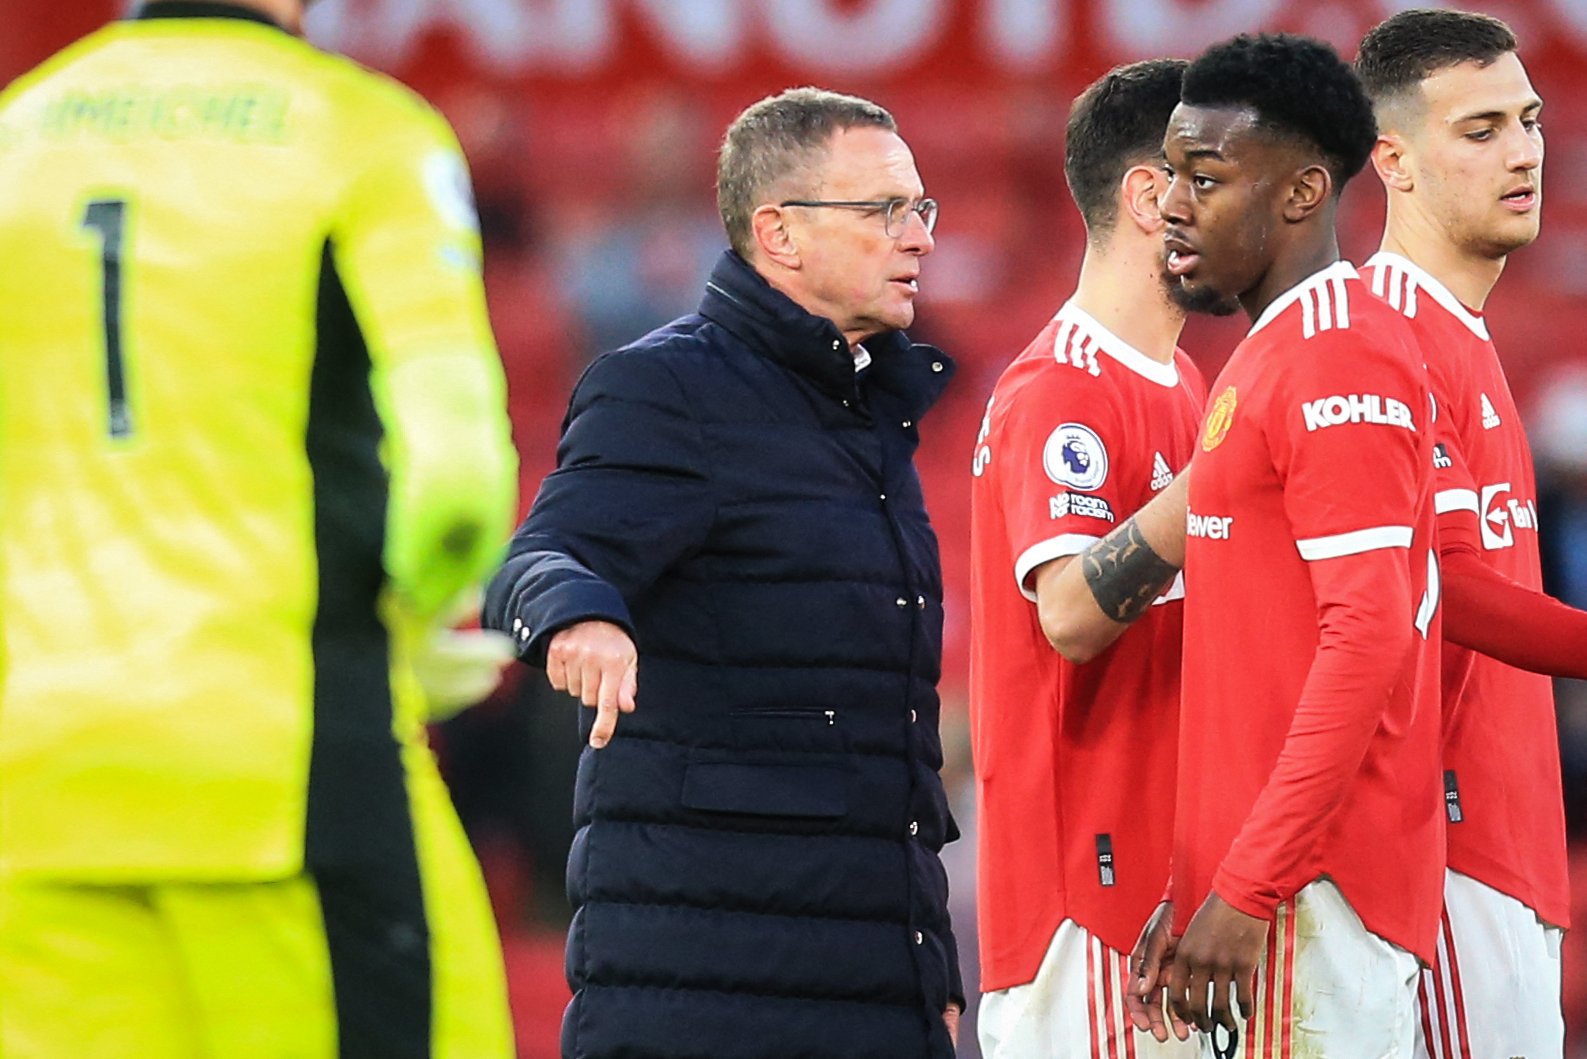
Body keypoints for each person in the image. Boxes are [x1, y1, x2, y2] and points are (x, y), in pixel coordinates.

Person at [0, 2, 520, 1057]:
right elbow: (457, 481)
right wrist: (431, 616)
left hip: (35, 780)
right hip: (281, 771)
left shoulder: (18, 130)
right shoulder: (363, 133)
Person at [483, 87, 964, 1058]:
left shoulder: (870, 415)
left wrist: (928, 978)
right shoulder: (670, 386)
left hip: (862, 983)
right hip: (704, 998)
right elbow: (539, 555)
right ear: (779, 233)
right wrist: (581, 616)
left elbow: (879, 744)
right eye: (882, 211)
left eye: (922, 209)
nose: (917, 236)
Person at [1115, 34, 1444, 1055]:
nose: (1173, 202)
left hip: (1315, 904)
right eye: (1171, 172)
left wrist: (1247, 887)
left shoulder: (1342, 352)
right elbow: (1264, 655)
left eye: (1205, 178)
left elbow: (1368, 639)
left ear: (1303, 193)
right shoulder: (1270, 354)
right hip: (1266, 897)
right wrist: (1200, 877)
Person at [1357, 11, 1587, 1057]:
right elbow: (1436, 590)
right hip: (1441, 850)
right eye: (1482, 128)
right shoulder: (1383, 336)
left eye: (1530, 122)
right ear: (1393, 161)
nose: (1525, 152)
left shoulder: (1463, 336)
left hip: (1507, 842)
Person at [968, 58, 1207, 1059]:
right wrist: (1226, 474)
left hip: (1169, 899)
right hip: (1091, 916)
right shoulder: (1061, 388)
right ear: (1150, 196)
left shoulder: (1189, 382)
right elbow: (1067, 612)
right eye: (1229, 177)